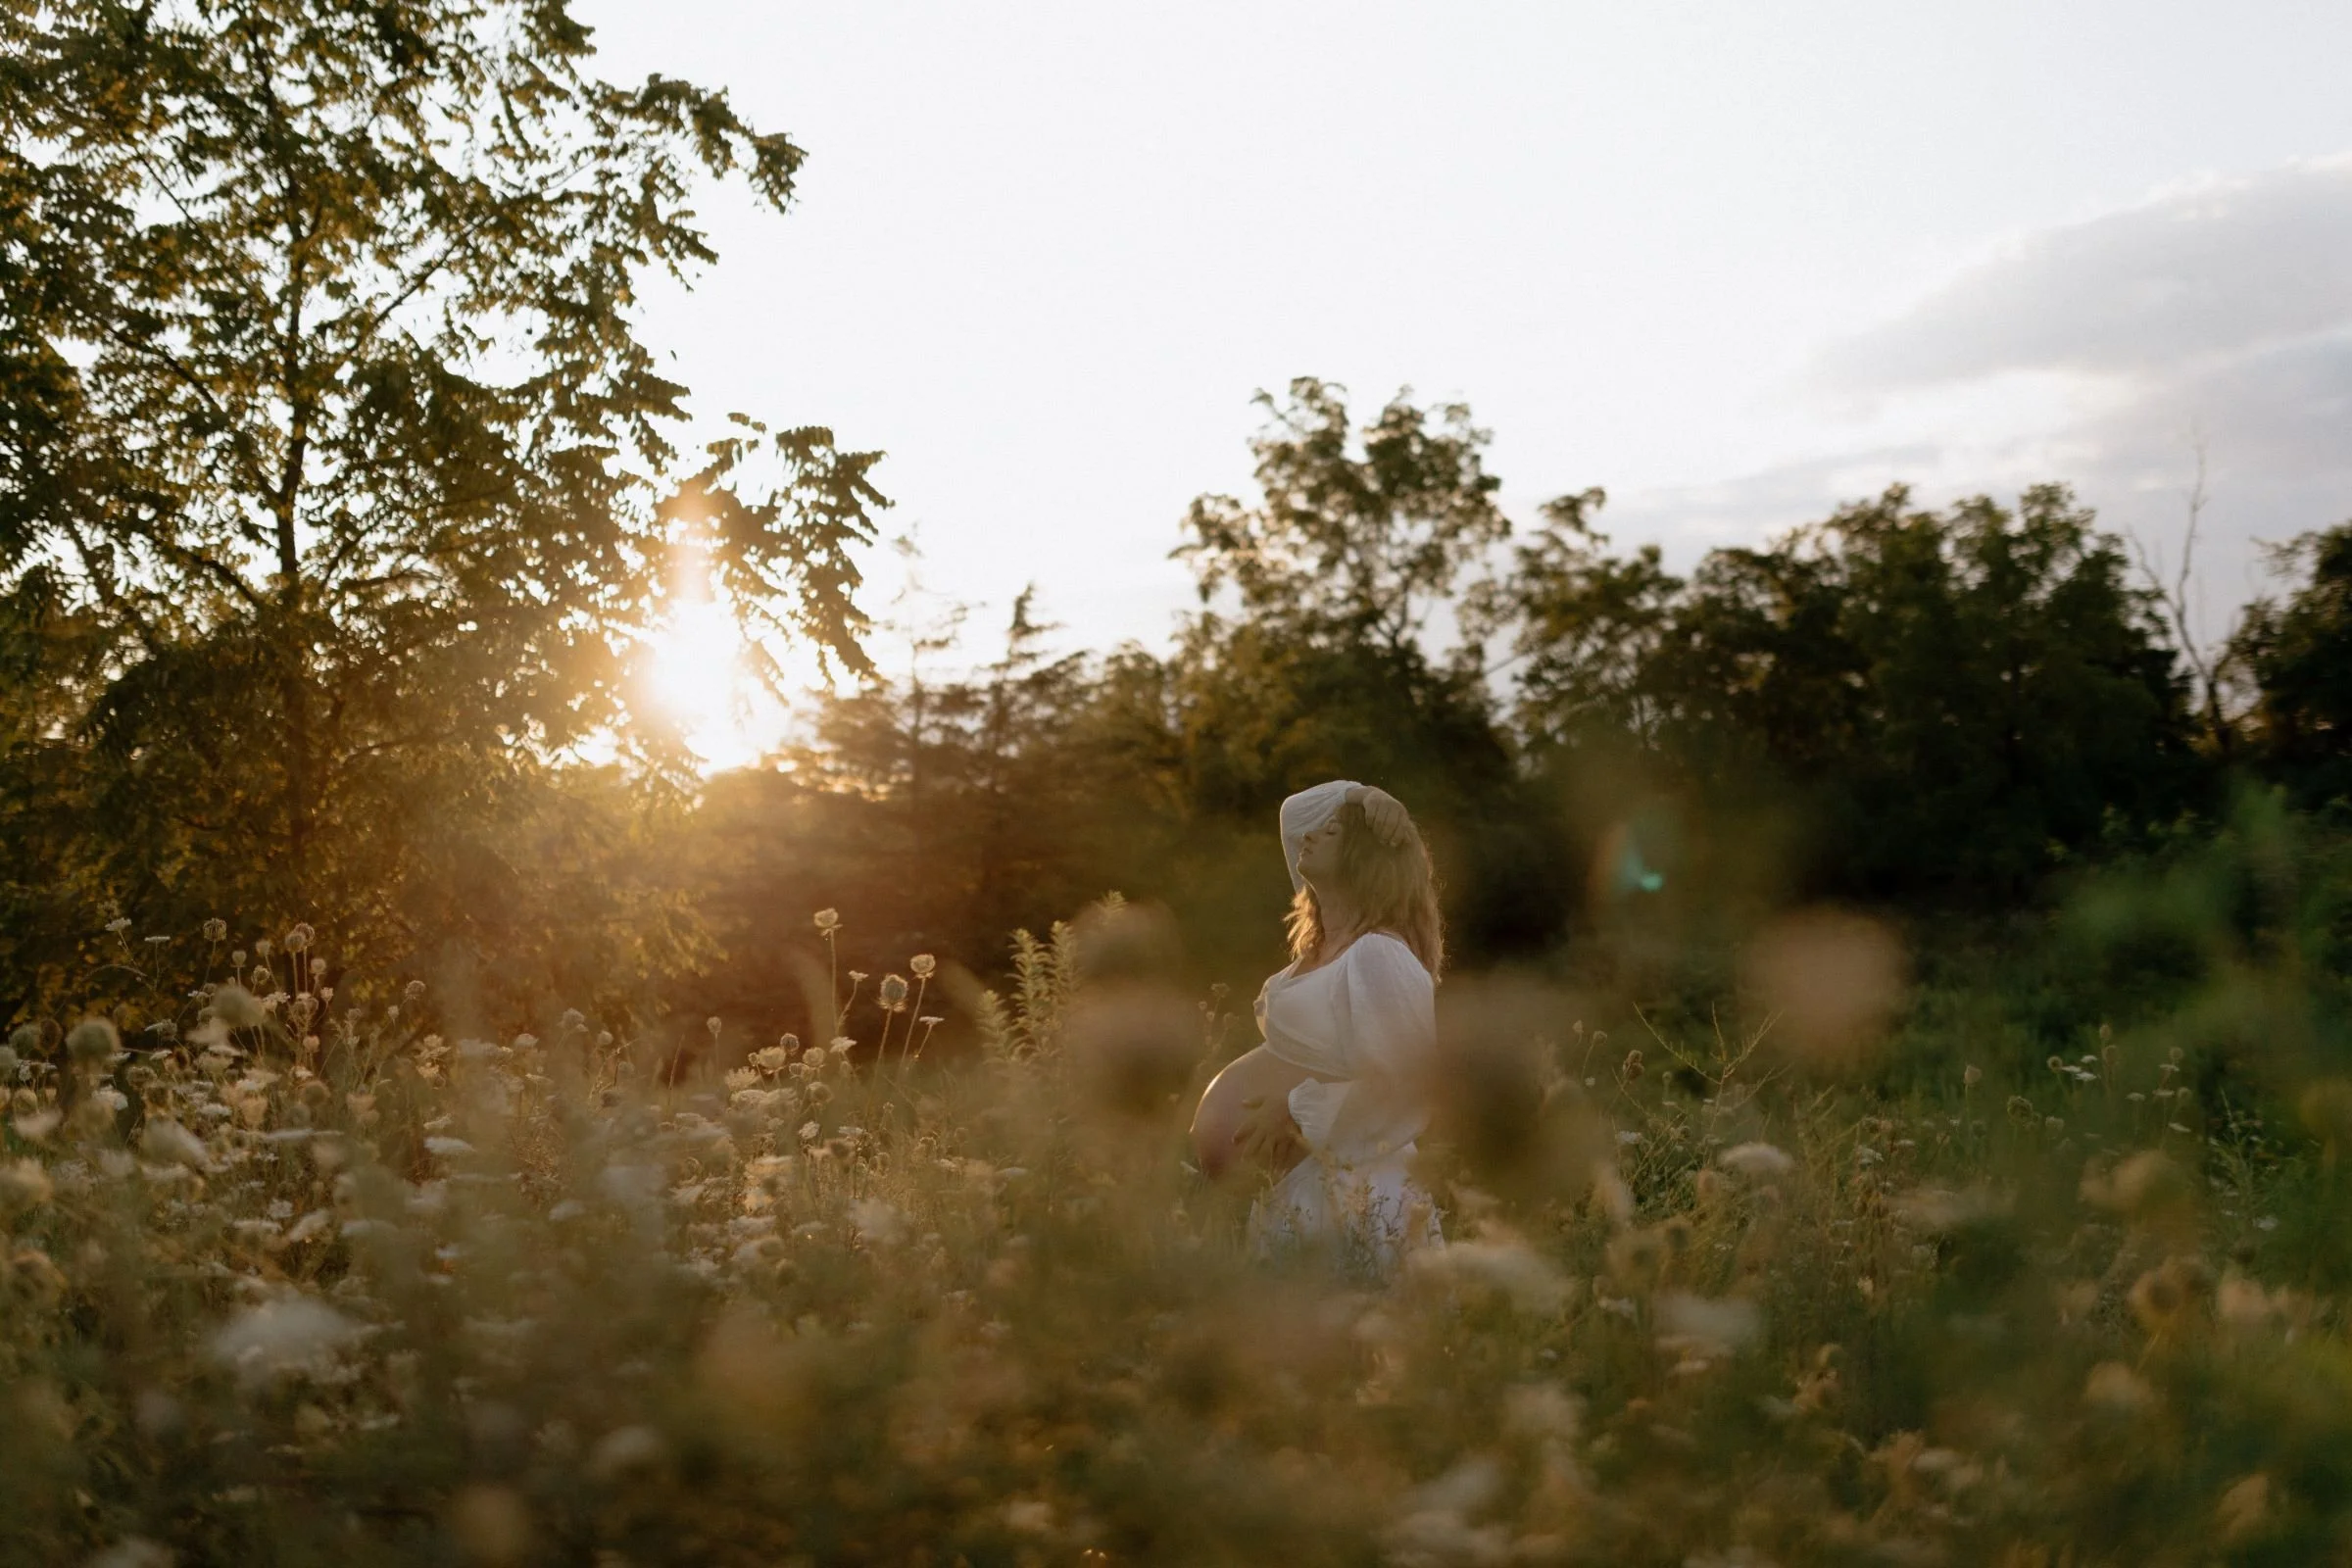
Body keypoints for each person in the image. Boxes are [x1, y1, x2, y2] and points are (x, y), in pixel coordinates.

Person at [1190, 779, 1446, 1270]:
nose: (1310, 832)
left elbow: (1408, 1089)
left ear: (1363, 858)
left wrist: (1296, 1111)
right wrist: (1360, 795)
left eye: (1332, 831)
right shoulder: (1323, 950)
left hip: (1355, 1193)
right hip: (1303, 1189)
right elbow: (1294, 811)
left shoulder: (1378, 953)